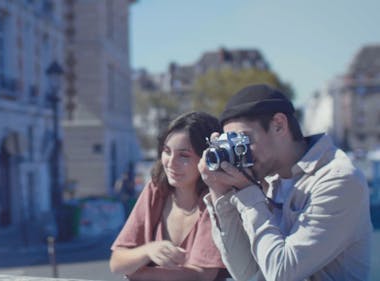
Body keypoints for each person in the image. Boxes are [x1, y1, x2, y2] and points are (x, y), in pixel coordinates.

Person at [198, 84, 372, 281]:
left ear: (279, 125)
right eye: (233, 145)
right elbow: (247, 274)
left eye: (244, 140)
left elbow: (281, 274)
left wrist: (248, 194)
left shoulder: (339, 179)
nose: (242, 153)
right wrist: (220, 193)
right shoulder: (266, 179)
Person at [110, 112, 228, 281]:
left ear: (207, 158)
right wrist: (148, 250)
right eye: (167, 151)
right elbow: (117, 262)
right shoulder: (156, 189)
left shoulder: (216, 197)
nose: (171, 163)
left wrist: (138, 272)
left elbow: (201, 276)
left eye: (184, 155)